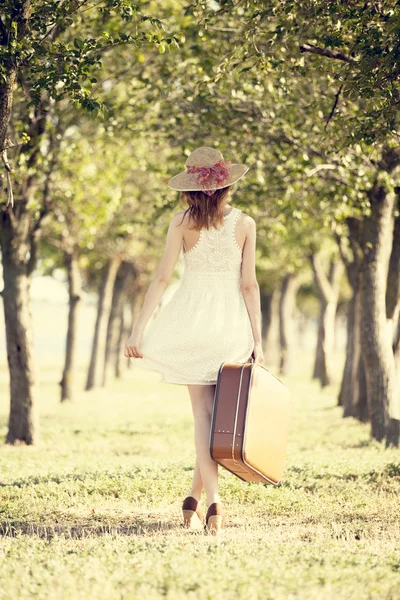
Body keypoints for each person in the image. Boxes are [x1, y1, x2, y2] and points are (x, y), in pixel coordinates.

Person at [124, 146, 264, 535]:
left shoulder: (180, 222)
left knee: (203, 416)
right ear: (225, 186)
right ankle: (207, 500)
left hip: (190, 321)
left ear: (191, 189)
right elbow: (249, 286)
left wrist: (139, 330)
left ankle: (202, 500)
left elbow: (162, 279)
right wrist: (259, 341)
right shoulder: (246, 224)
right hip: (231, 325)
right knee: (217, 418)